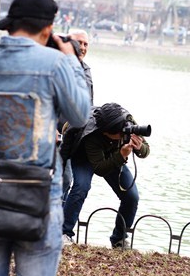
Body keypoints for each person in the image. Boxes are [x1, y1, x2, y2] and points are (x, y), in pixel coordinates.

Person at [0, 0, 91, 276]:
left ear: (9, 24)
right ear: (48, 29)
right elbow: (81, 115)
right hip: (39, 197)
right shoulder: (56, 65)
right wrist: (72, 61)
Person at [61, 102, 150, 248]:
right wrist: (121, 155)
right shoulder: (92, 134)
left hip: (113, 155)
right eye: (118, 134)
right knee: (81, 187)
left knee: (131, 196)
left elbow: (146, 150)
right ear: (105, 132)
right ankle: (64, 233)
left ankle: (119, 239)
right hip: (83, 155)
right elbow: (100, 169)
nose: (123, 135)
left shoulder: (127, 122)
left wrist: (140, 148)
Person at [61, 29, 94, 202]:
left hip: (79, 137)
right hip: (59, 138)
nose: (82, 47)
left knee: (77, 183)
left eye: (85, 44)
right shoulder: (58, 66)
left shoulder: (86, 70)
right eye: (78, 42)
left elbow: (89, 103)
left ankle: (62, 225)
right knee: (64, 180)